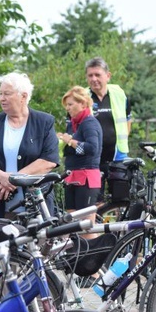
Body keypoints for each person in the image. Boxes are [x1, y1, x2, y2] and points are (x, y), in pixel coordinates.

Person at [0, 72, 60, 219]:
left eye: (7, 94)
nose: (2, 98)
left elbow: (49, 160)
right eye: (0, 94)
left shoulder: (44, 122)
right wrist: (2, 177)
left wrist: (14, 179)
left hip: (37, 203)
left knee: (39, 241)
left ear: (24, 96)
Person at [85, 57, 132, 195]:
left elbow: (128, 119)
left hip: (118, 157)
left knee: (121, 198)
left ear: (108, 76)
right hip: (92, 159)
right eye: (90, 75)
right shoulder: (82, 97)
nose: (94, 79)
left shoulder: (119, 94)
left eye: (97, 75)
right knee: (95, 200)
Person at [57, 86, 103, 219]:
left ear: (82, 104)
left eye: (70, 104)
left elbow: (92, 149)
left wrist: (71, 141)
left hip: (86, 177)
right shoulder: (73, 124)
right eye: (66, 105)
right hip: (72, 176)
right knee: (71, 223)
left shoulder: (90, 123)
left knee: (86, 226)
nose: (67, 108)